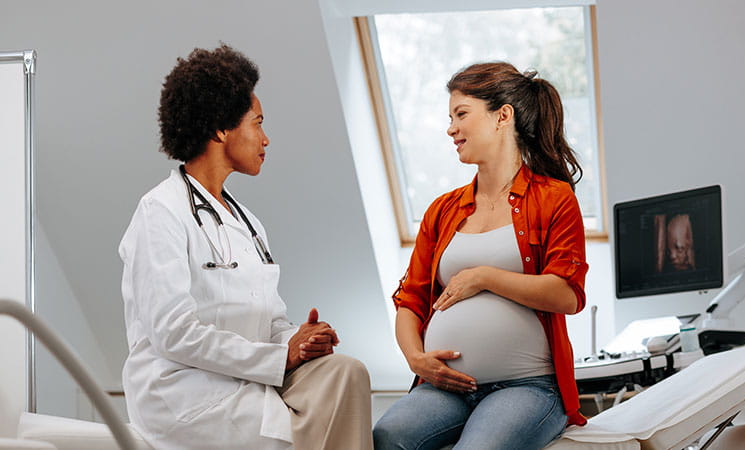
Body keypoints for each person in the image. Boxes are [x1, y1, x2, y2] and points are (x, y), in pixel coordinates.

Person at [118, 45, 372, 450]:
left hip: (248, 376)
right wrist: (277, 358)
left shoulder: (247, 223)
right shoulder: (160, 212)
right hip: (183, 393)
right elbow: (174, 334)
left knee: (347, 373)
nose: (266, 138)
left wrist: (299, 340)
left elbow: (270, 322)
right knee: (297, 433)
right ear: (221, 128)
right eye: (257, 123)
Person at [373, 62, 589, 450]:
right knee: (388, 435)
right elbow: (411, 299)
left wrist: (484, 277)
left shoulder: (554, 198)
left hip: (528, 386)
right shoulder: (443, 210)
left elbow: (566, 294)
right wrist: (416, 359)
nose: (451, 128)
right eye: (450, 117)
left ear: (502, 116)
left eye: (461, 114)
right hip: (444, 388)